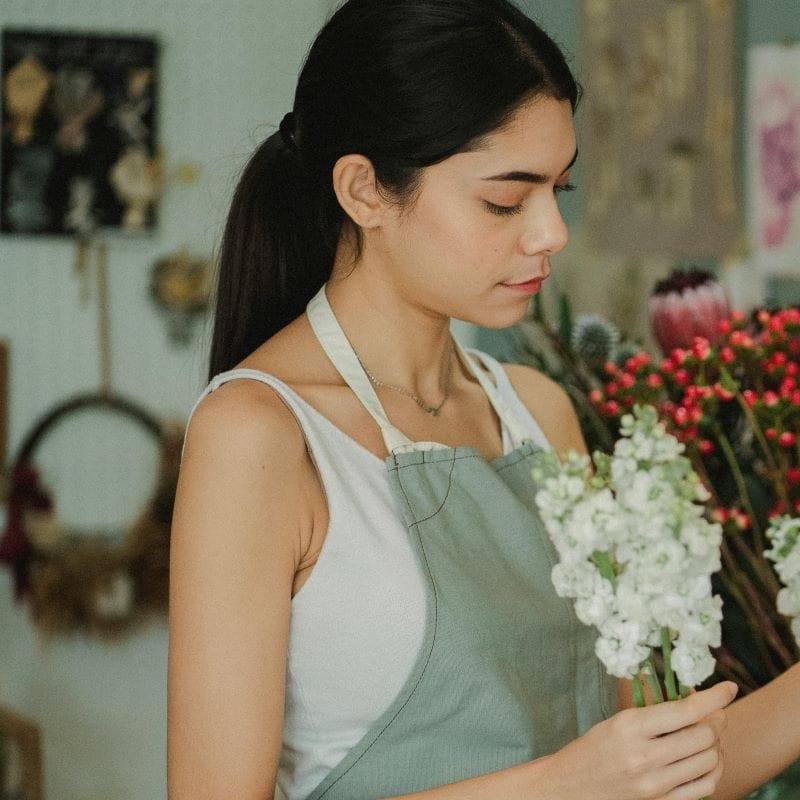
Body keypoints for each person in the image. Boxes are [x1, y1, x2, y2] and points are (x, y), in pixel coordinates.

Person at [167, 1, 800, 798]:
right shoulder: (258, 434)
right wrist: (563, 787)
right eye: (507, 199)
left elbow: (656, 772)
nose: (551, 233)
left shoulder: (540, 414)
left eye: (559, 191)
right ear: (365, 190)